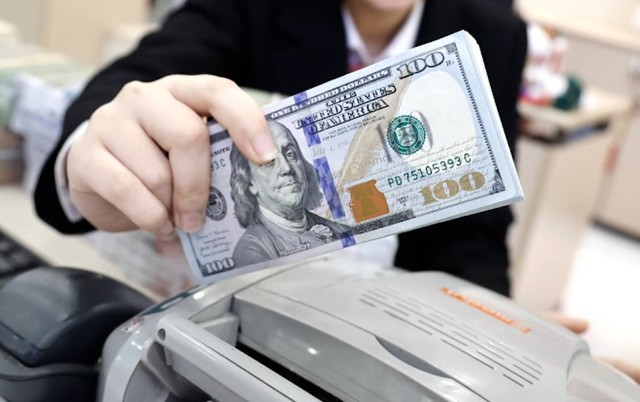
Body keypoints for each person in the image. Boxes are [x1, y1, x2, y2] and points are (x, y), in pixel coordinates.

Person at [33, 0, 528, 296]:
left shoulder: (495, 30)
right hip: (240, 314)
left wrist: (488, 323)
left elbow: (477, 224)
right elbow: (134, 81)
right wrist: (88, 155)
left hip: (386, 318)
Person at [229, 119, 350, 266]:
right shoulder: (252, 253)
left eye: (290, 154)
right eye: (268, 161)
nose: (286, 168)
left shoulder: (341, 231)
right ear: (250, 182)